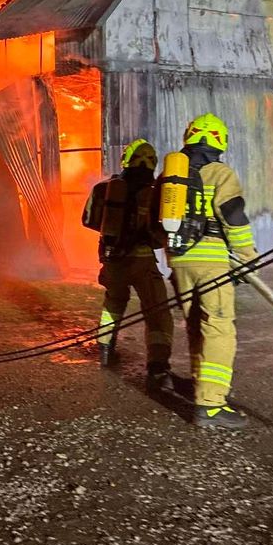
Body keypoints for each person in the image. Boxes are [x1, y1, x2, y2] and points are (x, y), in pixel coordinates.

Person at [166, 113, 258, 431]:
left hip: (179, 262)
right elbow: (234, 216)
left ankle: (200, 388)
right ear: (219, 141)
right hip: (211, 263)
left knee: (195, 327)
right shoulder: (220, 173)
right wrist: (248, 258)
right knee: (218, 329)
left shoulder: (170, 178)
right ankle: (212, 405)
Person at [82, 139, 174, 391]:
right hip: (143, 260)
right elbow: (163, 230)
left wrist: (115, 232)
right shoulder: (158, 192)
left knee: (113, 303)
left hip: (112, 260)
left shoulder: (104, 189)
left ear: (126, 160)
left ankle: (105, 349)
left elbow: (88, 220)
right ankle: (157, 367)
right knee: (157, 312)